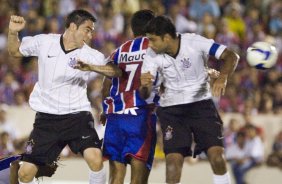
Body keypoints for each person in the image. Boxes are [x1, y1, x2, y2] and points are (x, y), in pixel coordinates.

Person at [8, 9, 121, 184]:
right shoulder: (45, 42)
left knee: (95, 158)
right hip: (47, 120)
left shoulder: (90, 55)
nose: (90, 35)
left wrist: (92, 67)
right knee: (25, 173)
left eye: (92, 31)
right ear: (73, 26)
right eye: (87, 29)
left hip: (78, 117)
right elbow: (15, 51)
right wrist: (13, 32)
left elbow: (116, 71)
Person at [140, 15, 239, 184]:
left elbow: (231, 56)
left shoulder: (195, 42)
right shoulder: (151, 54)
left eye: (153, 40)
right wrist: (145, 86)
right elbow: (145, 93)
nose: (150, 45)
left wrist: (223, 77)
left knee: (217, 157)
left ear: (166, 37)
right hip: (171, 110)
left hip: (201, 106)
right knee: (172, 164)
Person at [75, 10, 159, 184]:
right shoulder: (156, 49)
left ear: (132, 29)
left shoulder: (120, 51)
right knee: (138, 179)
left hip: (116, 118)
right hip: (140, 117)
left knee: (116, 177)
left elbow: (107, 83)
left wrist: (106, 111)